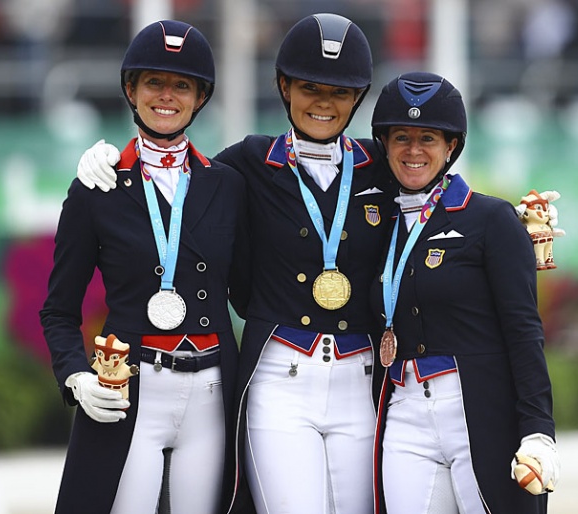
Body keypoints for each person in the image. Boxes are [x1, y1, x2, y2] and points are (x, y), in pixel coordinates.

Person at [76, 13, 397, 514]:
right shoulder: (246, 162)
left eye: (340, 90)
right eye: (310, 86)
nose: (324, 102)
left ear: (358, 97)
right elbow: (174, 168)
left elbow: (436, 193)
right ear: (284, 86)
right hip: (282, 372)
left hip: (359, 380)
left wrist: (506, 222)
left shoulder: (381, 166)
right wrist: (106, 158)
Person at [40, 20, 249, 514]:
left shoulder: (227, 184)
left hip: (212, 393)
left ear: (200, 97)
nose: (167, 96)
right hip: (132, 390)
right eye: (154, 81)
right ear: (131, 89)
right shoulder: (97, 187)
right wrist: (75, 378)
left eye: (182, 85)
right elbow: (59, 310)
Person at [369, 71, 560, 514]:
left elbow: (523, 331)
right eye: (401, 137)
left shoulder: (491, 219)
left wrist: (538, 430)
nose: (413, 151)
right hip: (404, 409)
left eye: (428, 138)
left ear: (452, 145)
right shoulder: (376, 225)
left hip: (477, 411)